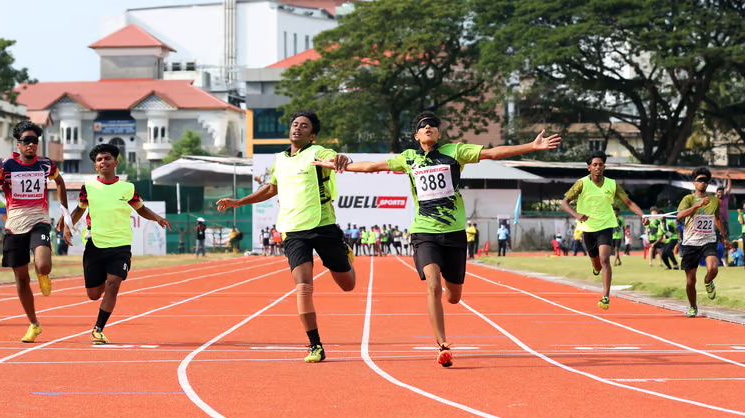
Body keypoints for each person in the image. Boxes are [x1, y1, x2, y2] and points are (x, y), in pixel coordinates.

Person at [313, 110, 560, 367]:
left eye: (433, 125)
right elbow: (371, 167)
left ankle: (446, 291)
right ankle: (442, 344)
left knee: (453, 297)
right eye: (423, 126)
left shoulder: (455, 152)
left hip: (454, 233)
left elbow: (493, 153)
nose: (428, 127)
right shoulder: (408, 158)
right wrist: (340, 164)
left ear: (439, 133)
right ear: (416, 135)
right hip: (424, 232)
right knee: (432, 283)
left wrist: (531, 146)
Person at [216, 110, 355, 363]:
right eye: (294, 124)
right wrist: (238, 202)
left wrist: (340, 158)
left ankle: (344, 253)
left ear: (312, 135)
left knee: (348, 285)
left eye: (304, 126)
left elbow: (332, 157)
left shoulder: (317, 152)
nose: (297, 128)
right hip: (293, 230)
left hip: (324, 227)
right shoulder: (279, 159)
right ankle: (315, 345)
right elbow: (271, 188)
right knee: (303, 287)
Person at [66, 143, 171, 344]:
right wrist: (68, 226)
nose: (103, 162)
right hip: (95, 244)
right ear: (95, 166)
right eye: (99, 160)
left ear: (116, 162)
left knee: (114, 284)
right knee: (93, 294)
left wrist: (157, 218)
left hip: (121, 245)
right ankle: (107, 281)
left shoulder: (128, 188)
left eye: (106, 158)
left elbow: (140, 209)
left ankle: (98, 329)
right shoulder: (88, 187)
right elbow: (79, 209)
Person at [0, 120, 70, 342]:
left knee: (44, 264)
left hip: (39, 220)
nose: (31, 145)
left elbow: (60, 182)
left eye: (35, 141)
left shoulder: (46, 165)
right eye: (26, 141)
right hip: (14, 225)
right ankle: (34, 324)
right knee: (20, 279)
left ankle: (42, 273)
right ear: (18, 144)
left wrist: (64, 214)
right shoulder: (7, 165)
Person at [561, 150, 649, 310]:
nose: (598, 167)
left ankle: (606, 296)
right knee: (596, 262)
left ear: (604, 167)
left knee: (604, 259)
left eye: (600, 164)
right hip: (587, 228)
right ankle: (596, 267)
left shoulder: (612, 184)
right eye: (594, 165)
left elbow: (628, 202)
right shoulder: (581, 183)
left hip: (606, 226)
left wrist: (642, 215)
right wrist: (576, 214)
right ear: (589, 167)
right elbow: (564, 203)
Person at [676, 167, 728, 317]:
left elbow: (717, 218)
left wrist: (724, 236)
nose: (702, 183)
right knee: (690, 280)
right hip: (691, 242)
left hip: (708, 240)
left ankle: (708, 281)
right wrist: (697, 205)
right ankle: (693, 307)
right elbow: (680, 215)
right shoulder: (688, 199)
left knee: (713, 268)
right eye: (700, 180)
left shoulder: (713, 201)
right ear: (694, 183)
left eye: (705, 181)